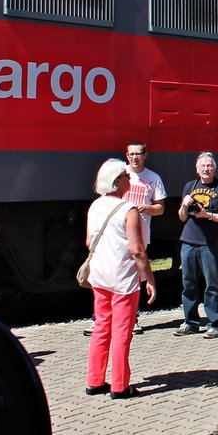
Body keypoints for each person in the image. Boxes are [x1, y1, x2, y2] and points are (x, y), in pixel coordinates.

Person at [84, 158, 156, 399]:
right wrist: (150, 279)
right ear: (117, 182)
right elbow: (138, 250)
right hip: (123, 280)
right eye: (126, 175)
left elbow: (88, 242)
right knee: (122, 332)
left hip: (99, 277)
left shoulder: (94, 206)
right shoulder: (128, 210)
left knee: (101, 328)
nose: (129, 177)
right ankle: (119, 386)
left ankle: (94, 381)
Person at [83, 141, 165, 337]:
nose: (134, 157)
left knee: (132, 278)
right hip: (116, 234)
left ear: (145, 155)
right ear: (127, 156)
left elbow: (160, 208)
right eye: (131, 154)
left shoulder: (153, 178)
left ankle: (131, 319)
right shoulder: (118, 173)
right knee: (111, 280)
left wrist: (146, 208)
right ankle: (102, 320)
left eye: (138, 153)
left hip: (139, 233)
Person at [175, 153, 218, 338]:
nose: (206, 169)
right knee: (188, 284)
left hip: (210, 243)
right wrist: (184, 206)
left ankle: (214, 324)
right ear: (197, 168)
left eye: (209, 165)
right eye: (202, 166)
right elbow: (182, 217)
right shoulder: (190, 186)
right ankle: (190, 322)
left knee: (212, 285)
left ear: (214, 168)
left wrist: (208, 215)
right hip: (188, 242)